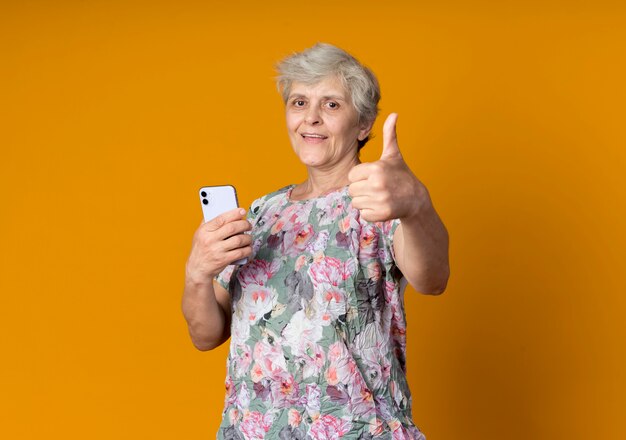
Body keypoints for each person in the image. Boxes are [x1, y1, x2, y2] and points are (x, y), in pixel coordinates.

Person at [182, 43, 450, 440]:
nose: (310, 118)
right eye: (299, 101)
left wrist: (416, 205)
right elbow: (206, 335)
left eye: (332, 105)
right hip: (254, 431)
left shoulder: (378, 200)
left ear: (363, 125)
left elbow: (433, 278)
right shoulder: (262, 213)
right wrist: (197, 274)